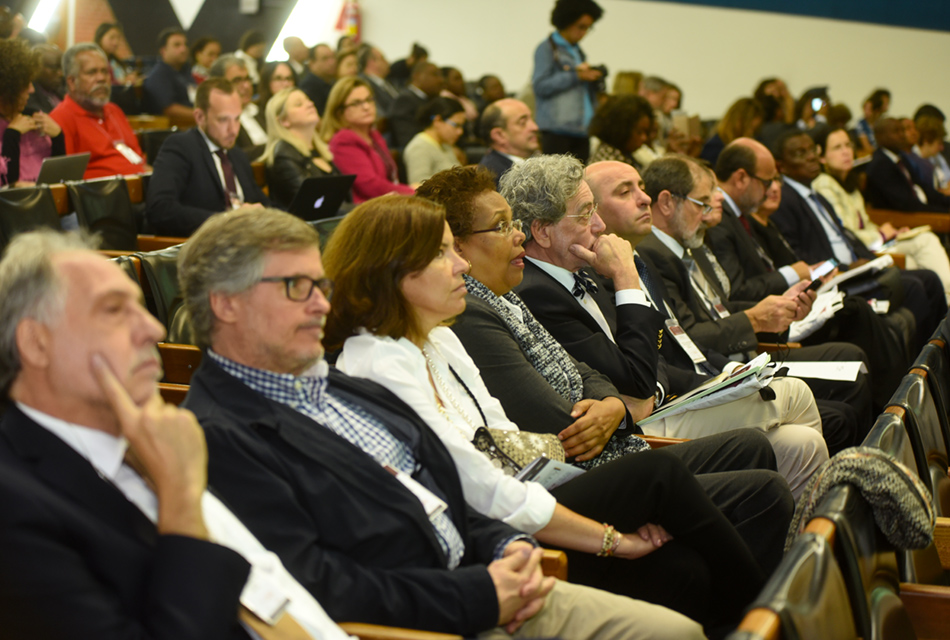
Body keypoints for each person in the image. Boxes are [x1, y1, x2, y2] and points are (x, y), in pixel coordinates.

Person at [178, 205, 709, 640]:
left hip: (487, 574)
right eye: (297, 287)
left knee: (680, 615)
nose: (322, 303)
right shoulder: (219, 434)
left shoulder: (340, 389)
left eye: (320, 284)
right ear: (226, 305)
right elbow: (314, 582)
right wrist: (481, 593)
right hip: (430, 617)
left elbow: (447, 489)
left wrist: (508, 550)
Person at [326, 194, 767, 633]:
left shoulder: (440, 338)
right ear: (391, 272)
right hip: (492, 528)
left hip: (525, 487)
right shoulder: (375, 363)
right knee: (657, 475)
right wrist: (611, 539)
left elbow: (505, 434)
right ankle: (764, 622)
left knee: (683, 568)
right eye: (441, 254)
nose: (460, 265)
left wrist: (604, 420)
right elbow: (476, 484)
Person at [416, 165, 797, 575]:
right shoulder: (485, 306)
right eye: (502, 226)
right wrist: (626, 280)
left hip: (625, 428)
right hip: (574, 469)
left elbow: (597, 374)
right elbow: (564, 420)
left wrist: (613, 403)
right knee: (763, 480)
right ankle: (761, 607)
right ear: (459, 247)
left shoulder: (508, 295)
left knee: (755, 444)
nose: (517, 235)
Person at [0, 229, 354, 640]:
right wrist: (183, 501)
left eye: (141, 307)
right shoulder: (12, 504)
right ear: (36, 343)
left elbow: (271, 589)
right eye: (114, 310)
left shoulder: (144, 444)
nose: (153, 328)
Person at [498, 155, 826, 496]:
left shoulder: (579, 269)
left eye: (595, 210)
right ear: (542, 231)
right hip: (631, 434)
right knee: (794, 392)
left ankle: (799, 540)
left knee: (801, 444)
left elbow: (654, 357)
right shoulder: (538, 292)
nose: (598, 225)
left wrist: (660, 389)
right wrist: (626, 276)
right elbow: (634, 375)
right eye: (585, 214)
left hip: (652, 405)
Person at [770, 128, 947, 351]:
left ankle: (939, 356)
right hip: (836, 279)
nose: (811, 157)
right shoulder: (785, 201)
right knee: (915, 285)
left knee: (929, 278)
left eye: (812, 150)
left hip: (856, 266)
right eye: (800, 153)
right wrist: (847, 267)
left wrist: (870, 260)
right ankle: (917, 365)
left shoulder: (815, 194)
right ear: (781, 165)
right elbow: (801, 257)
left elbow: (846, 236)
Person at [813, 126, 950, 302]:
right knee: (922, 248)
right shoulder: (824, 185)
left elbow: (865, 222)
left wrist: (890, 232)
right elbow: (846, 233)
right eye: (837, 148)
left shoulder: (848, 182)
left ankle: (944, 302)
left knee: (924, 240)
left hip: (874, 243)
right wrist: (881, 234)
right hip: (861, 252)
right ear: (822, 157)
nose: (846, 152)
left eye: (848, 145)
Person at [146, 78, 269, 237]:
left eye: (237, 118)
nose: (233, 130)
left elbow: (262, 203)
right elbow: (160, 209)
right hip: (202, 249)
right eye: (223, 119)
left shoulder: (236, 155)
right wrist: (227, 220)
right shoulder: (180, 147)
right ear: (200, 117)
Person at [51, 43, 147, 179]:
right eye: (92, 72)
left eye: (104, 71)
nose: (101, 78)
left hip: (140, 187)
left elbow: (137, 157)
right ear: (72, 81)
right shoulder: (61, 119)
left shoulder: (114, 110)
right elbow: (67, 179)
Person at [532, 0, 604, 163]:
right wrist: (576, 76)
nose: (584, 32)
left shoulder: (578, 51)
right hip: (557, 132)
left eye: (588, 28)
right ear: (567, 21)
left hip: (582, 131)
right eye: (581, 26)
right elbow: (540, 86)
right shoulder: (546, 49)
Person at [321, 76, 414, 202]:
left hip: (388, 202)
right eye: (356, 103)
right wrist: (411, 192)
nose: (366, 107)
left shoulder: (373, 135)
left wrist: (410, 189)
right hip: (368, 210)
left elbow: (389, 178)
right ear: (339, 112)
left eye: (369, 100)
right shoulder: (342, 141)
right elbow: (371, 186)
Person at [259, 87, 341, 210]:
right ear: (283, 120)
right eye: (299, 104)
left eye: (308, 100)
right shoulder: (283, 154)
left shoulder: (319, 150)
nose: (310, 104)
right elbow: (313, 203)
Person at [0, 38, 64, 187]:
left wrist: (58, 138)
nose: (32, 90)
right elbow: (10, 186)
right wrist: (12, 135)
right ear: (6, 89)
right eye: (25, 84)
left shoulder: (33, 117)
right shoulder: (13, 128)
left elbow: (59, 179)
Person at [864, 117, 950, 212]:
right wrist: (944, 212)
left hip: (919, 211)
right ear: (881, 136)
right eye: (896, 131)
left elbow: (924, 189)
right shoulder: (880, 165)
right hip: (901, 219)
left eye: (902, 130)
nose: (902, 135)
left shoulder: (900, 157)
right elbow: (907, 205)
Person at [208, 55, 267, 158]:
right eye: (237, 81)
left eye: (247, 79)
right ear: (218, 85)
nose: (246, 86)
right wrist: (274, 147)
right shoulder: (218, 121)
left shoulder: (259, 110)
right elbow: (232, 157)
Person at [478, 98, 540, 186]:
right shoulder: (495, 179)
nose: (535, 127)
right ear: (499, 135)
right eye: (522, 123)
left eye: (532, 119)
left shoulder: (534, 159)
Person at [403, 97, 465, 184]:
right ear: (437, 121)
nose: (460, 132)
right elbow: (418, 186)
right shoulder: (419, 148)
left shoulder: (444, 144)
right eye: (456, 125)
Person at [142, 27, 196, 126]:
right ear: (163, 50)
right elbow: (170, 110)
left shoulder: (185, 71)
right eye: (177, 45)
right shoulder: (159, 75)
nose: (183, 49)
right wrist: (203, 116)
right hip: (174, 129)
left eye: (185, 44)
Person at [389, 61, 445, 150]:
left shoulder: (430, 99)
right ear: (417, 76)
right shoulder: (404, 101)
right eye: (435, 75)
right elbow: (408, 140)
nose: (441, 80)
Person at [588, 94, 654, 168]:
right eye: (639, 132)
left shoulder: (625, 155)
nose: (644, 138)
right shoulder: (609, 164)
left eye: (646, 132)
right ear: (621, 129)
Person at [700, 97, 763, 166]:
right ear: (738, 120)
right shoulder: (715, 146)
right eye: (749, 127)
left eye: (754, 130)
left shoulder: (755, 140)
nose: (751, 133)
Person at [357, 44, 398, 119]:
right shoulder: (363, 84)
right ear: (371, 62)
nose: (387, 62)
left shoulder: (388, 81)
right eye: (383, 58)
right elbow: (379, 115)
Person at [93, 22, 139, 86]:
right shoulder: (95, 61)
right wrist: (124, 82)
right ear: (100, 38)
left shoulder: (113, 60)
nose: (116, 43)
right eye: (112, 38)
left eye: (118, 38)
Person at [26, 43, 64, 114]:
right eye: (54, 67)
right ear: (36, 67)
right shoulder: (28, 96)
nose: (61, 73)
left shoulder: (62, 89)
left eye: (62, 67)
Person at [256, 61, 297, 126]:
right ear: (267, 82)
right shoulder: (257, 112)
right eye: (278, 79)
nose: (286, 84)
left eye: (289, 78)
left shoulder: (300, 107)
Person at [299, 43, 336, 115]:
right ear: (312, 63)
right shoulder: (309, 86)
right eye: (325, 58)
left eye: (333, 57)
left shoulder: (330, 81)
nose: (332, 62)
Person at [853, 88, 890, 156]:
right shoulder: (861, 124)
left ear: (875, 110)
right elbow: (867, 147)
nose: (866, 112)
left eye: (869, 109)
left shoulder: (882, 123)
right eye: (865, 108)